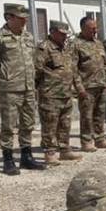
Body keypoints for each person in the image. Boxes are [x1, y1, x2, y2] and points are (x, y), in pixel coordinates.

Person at [0, 4, 46, 175]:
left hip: (28, 88)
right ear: (9, 18)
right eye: (20, 18)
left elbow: (33, 60)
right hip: (10, 90)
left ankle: (26, 157)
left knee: (28, 123)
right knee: (8, 125)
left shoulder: (28, 37)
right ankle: (8, 160)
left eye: (25, 18)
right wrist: (3, 79)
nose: (24, 21)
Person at [34, 20, 83, 165]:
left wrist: (79, 87)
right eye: (62, 34)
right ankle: (50, 153)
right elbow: (36, 71)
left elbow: (72, 70)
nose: (64, 37)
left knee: (65, 124)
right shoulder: (44, 48)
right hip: (50, 95)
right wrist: (41, 89)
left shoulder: (66, 49)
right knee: (50, 125)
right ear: (52, 32)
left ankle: (65, 150)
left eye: (66, 34)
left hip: (66, 94)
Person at [74, 16, 106, 152]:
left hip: (101, 85)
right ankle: (86, 141)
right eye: (92, 28)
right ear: (83, 28)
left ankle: (100, 138)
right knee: (86, 116)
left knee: (100, 114)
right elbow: (73, 68)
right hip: (87, 86)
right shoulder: (76, 44)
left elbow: (105, 65)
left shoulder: (98, 43)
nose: (95, 31)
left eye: (96, 28)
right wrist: (79, 88)